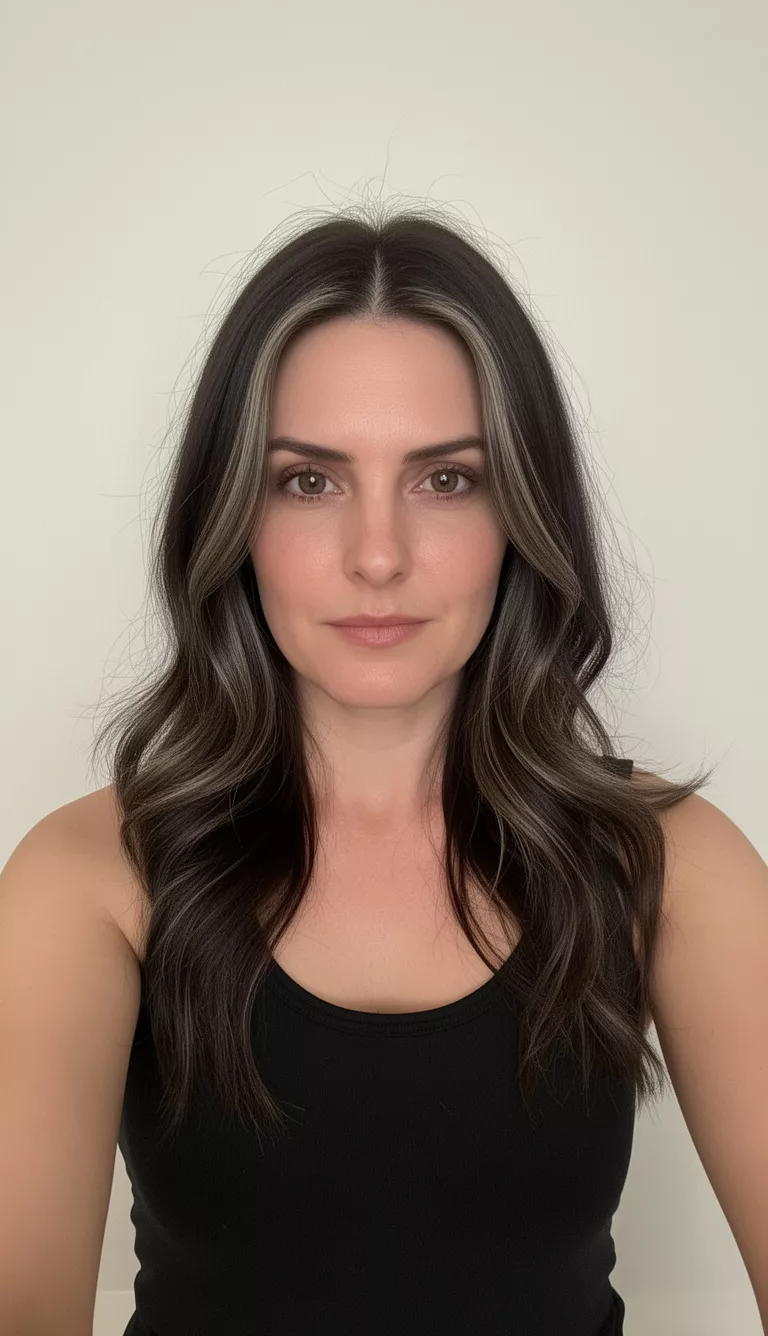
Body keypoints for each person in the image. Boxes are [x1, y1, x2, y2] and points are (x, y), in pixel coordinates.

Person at [1, 205, 766, 1336]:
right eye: (307, 481)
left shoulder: (672, 861)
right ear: (233, 515)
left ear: (522, 510)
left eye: (445, 480)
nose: (377, 554)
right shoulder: (86, 880)